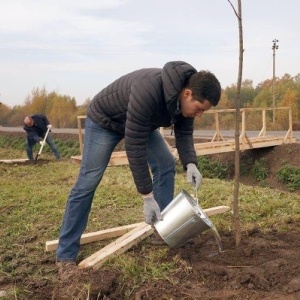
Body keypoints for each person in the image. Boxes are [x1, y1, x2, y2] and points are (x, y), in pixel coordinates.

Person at [56, 61, 221, 275]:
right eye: (199, 109)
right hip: (105, 122)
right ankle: (66, 255)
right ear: (187, 93)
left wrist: (191, 163)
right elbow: (134, 145)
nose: (199, 115)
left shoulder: (184, 102)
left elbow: (184, 134)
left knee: (165, 163)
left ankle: (162, 232)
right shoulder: (149, 89)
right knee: (88, 182)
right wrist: (147, 196)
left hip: (139, 123)